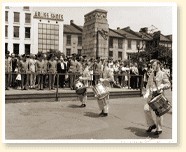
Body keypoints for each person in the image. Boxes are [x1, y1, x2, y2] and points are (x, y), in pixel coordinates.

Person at [143, 59, 171, 135]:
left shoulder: (163, 74)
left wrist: (162, 86)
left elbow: (168, 84)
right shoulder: (151, 74)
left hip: (159, 96)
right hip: (151, 96)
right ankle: (152, 125)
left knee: (158, 113)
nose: (153, 67)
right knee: (146, 109)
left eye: (154, 65)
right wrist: (147, 92)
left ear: (158, 65)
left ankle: (159, 128)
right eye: (152, 66)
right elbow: (148, 85)